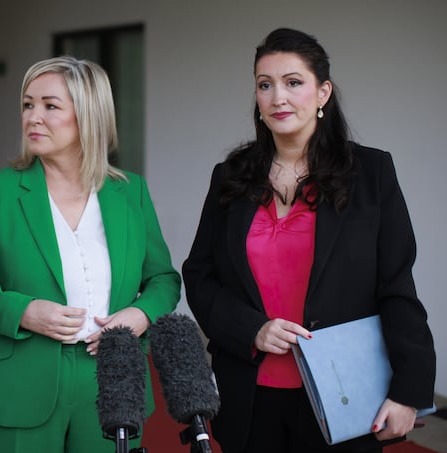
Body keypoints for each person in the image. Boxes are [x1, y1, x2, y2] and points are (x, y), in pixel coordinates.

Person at [182, 28, 436, 453]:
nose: (278, 97)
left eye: (293, 82)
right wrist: (252, 329)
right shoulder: (230, 175)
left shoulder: (371, 174)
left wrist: (410, 389)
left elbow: (396, 286)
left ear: (323, 93)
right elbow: (200, 275)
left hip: (344, 394)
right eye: (265, 85)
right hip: (250, 392)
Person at [0, 56, 181, 453]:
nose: (33, 117)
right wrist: (23, 312)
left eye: (50, 106)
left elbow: (163, 278)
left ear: (88, 115)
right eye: (27, 104)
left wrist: (138, 316)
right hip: (20, 380)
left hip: (113, 380)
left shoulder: (130, 192)